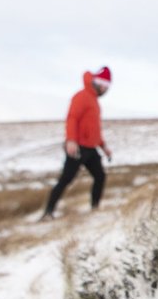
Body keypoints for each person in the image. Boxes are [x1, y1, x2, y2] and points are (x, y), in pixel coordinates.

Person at [42, 66, 113, 219]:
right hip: (78, 147)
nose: (105, 89)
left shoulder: (95, 102)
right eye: (104, 86)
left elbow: (95, 129)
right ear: (96, 82)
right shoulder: (81, 96)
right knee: (66, 179)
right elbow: (72, 118)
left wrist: (104, 146)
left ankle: (94, 208)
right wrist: (71, 141)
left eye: (108, 87)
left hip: (91, 148)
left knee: (100, 176)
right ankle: (48, 212)